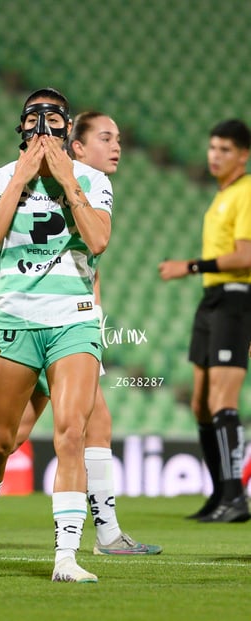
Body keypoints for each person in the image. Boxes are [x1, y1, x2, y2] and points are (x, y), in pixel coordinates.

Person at [0, 111, 161, 557]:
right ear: (76, 146)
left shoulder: (92, 189)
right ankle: (106, 534)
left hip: (70, 320)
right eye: (105, 138)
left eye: (119, 138)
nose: (116, 147)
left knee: (27, 434)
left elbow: (89, 260)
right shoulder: (65, 185)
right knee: (30, 433)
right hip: (39, 321)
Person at [0, 88, 112, 582]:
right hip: (13, 318)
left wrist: (67, 181)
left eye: (54, 118)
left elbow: (99, 239)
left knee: (70, 431)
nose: (44, 126)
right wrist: (22, 177)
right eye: (34, 117)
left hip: (73, 317)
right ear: (21, 127)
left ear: (68, 127)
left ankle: (66, 557)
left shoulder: (92, 178)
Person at [159, 119, 251, 523]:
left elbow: (246, 256)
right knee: (200, 404)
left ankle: (236, 497)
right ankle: (220, 496)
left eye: (225, 149)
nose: (215, 155)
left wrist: (190, 265)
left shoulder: (247, 192)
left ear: (243, 155)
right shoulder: (221, 197)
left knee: (222, 401)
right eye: (212, 147)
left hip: (236, 299)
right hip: (211, 300)